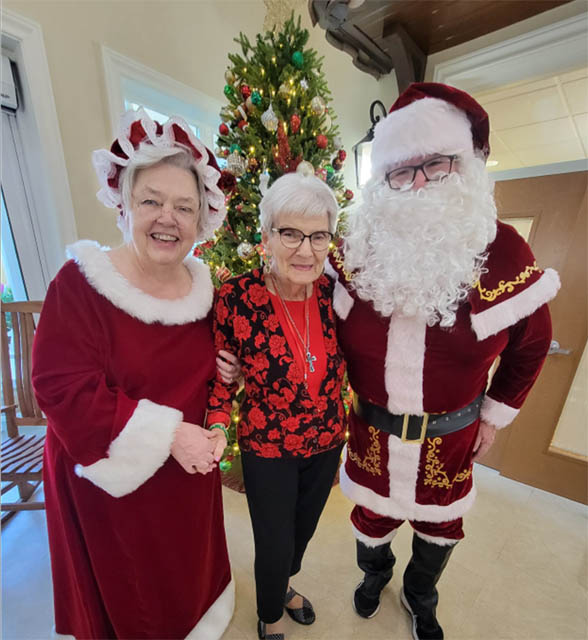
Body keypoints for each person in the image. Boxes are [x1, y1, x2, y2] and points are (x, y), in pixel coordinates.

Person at [326, 83, 559, 640]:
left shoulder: (504, 251)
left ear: (467, 166)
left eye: (437, 163)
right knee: (371, 517)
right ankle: (373, 575)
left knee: (440, 524)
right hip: (371, 431)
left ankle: (419, 594)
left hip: (452, 437)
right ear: (383, 182)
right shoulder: (353, 250)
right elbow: (317, 329)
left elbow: (529, 346)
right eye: (402, 172)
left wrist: (495, 414)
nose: (420, 182)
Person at [32, 109, 235, 639]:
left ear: (201, 218)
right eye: (152, 201)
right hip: (109, 489)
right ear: (123, 204)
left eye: (184, 207)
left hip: (187, 480)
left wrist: (223, 388)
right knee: (132, 602)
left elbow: (211, 373)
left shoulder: (205, 289)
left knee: (186, 585)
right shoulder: (79, 284)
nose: (168, 218)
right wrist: (168, 435)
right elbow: (62, 389)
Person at [207, 172, 347, 640]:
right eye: (290, 233)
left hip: (328, 440)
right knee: (273, 539)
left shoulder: (335, 293)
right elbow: (219, 373)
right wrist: (218, 423)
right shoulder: (236, 297)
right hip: (267, 445)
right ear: (266, 236)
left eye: (318, 235)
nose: (306, 250)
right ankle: (269, 612)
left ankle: (284, 585)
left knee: (303, 533)